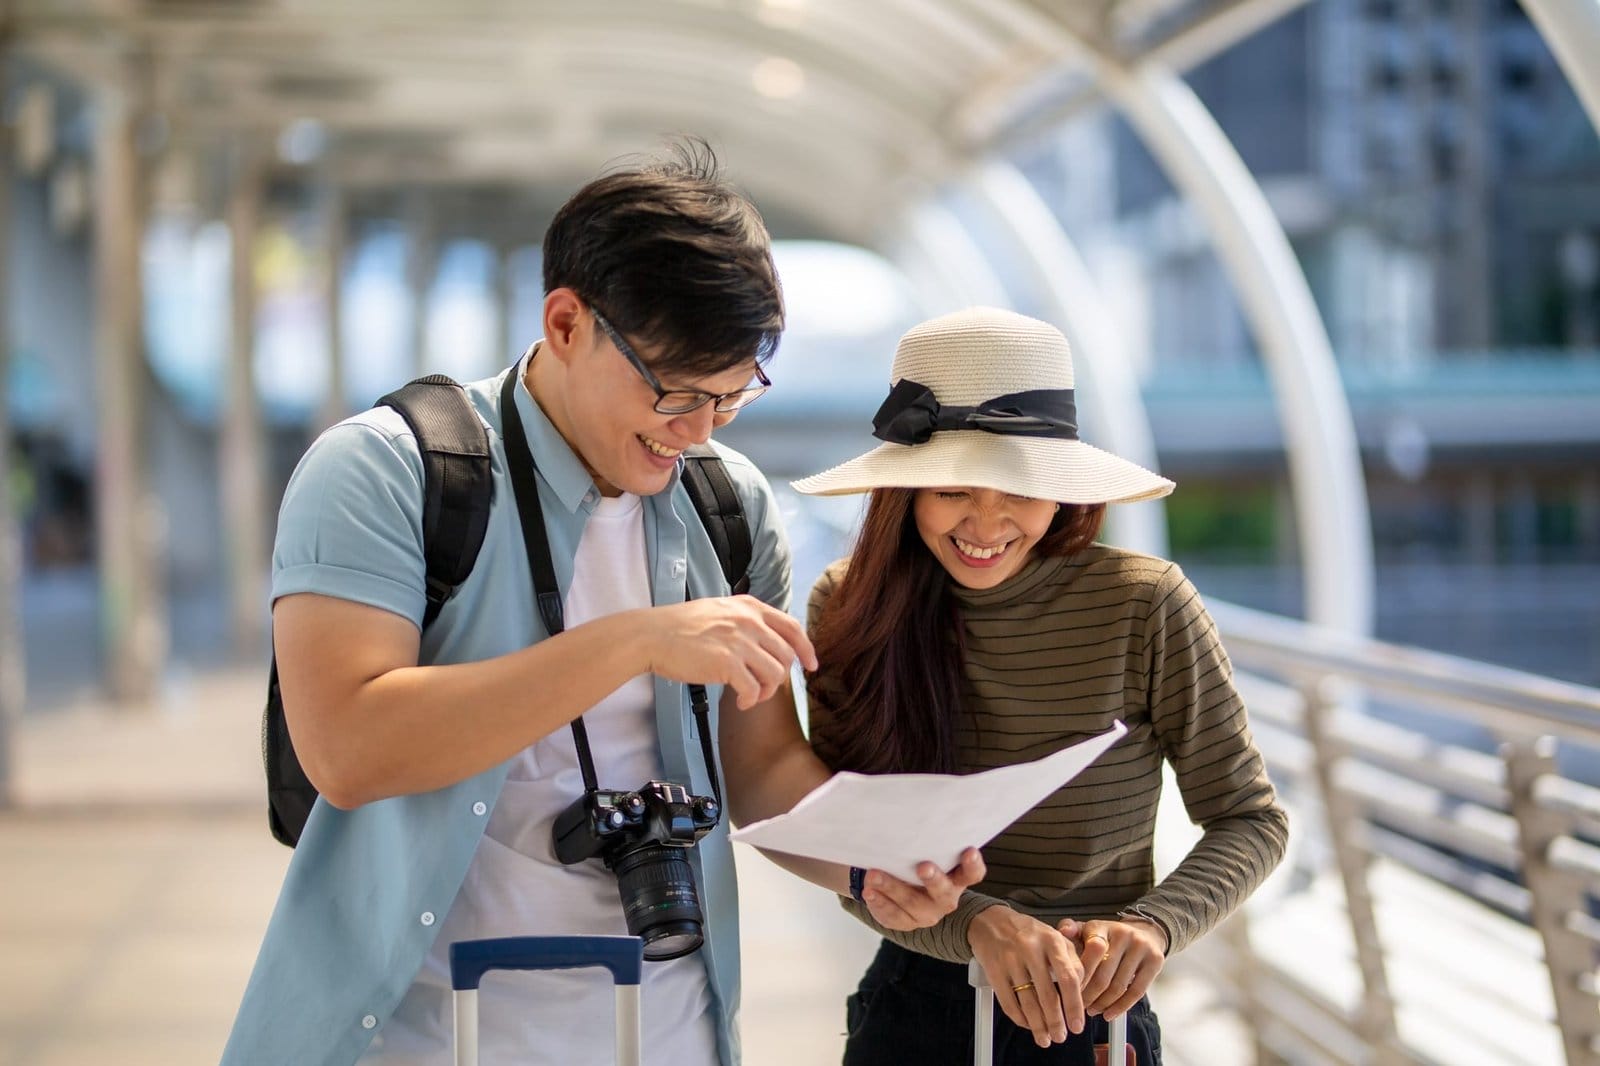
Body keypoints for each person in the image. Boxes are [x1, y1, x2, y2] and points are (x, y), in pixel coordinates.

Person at [221, 142, 984, 1066]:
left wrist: (870, 862)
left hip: (660, 1032)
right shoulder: (383, 471)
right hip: (419, 1036)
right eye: (672, 391)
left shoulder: (729, 507)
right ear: (567, 321)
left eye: (729, 398)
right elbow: (347, 748)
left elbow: (760, 769)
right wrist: (631, 643)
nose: (695, 431)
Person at [793, 307, 1289, 1064]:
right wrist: (976, 924)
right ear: (905, 492)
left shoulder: (1145, 604)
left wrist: (1154, 927)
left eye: (1021, 489)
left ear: (1064, 490)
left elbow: (1250, 818)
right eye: (955, 488)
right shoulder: (849, 605)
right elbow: (851, 848)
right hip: (916, 1009)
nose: (987, 523)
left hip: (1096, 1017)